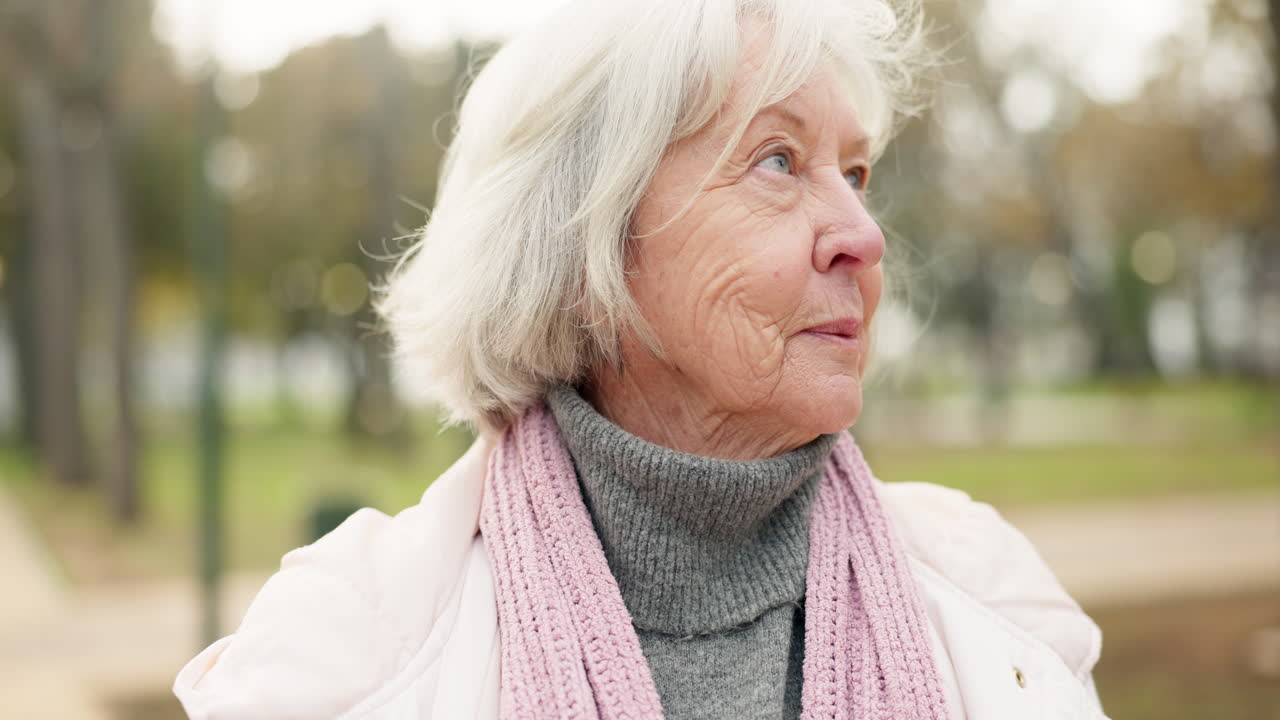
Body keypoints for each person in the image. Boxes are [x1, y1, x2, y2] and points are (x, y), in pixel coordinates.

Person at [174, 0, 1109, 717]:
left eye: (855, 173)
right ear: (586, 249)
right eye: (779, 162)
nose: (863, 235)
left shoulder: (996, 602)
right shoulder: (346, 656)